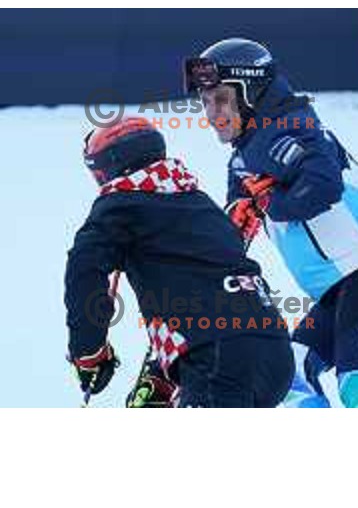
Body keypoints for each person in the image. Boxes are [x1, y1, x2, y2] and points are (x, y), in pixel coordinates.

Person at [183, 38, 358, 408]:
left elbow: (323, 185)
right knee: (288, 377)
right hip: (337, 288)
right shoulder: (245, 154)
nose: (212, 113)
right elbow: (231, 234)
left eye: (222, 99)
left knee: (357, 386)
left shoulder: (288, 127)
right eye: (206, 101)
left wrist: (269, 203)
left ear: (252, 93)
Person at [65, 117, 293, 407]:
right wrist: (160, 372)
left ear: (111, 166)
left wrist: (88, 352)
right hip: (273, 351)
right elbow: (197, 288)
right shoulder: (199, 201)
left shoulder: (119, 203)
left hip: (216, 357)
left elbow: (83, 270)